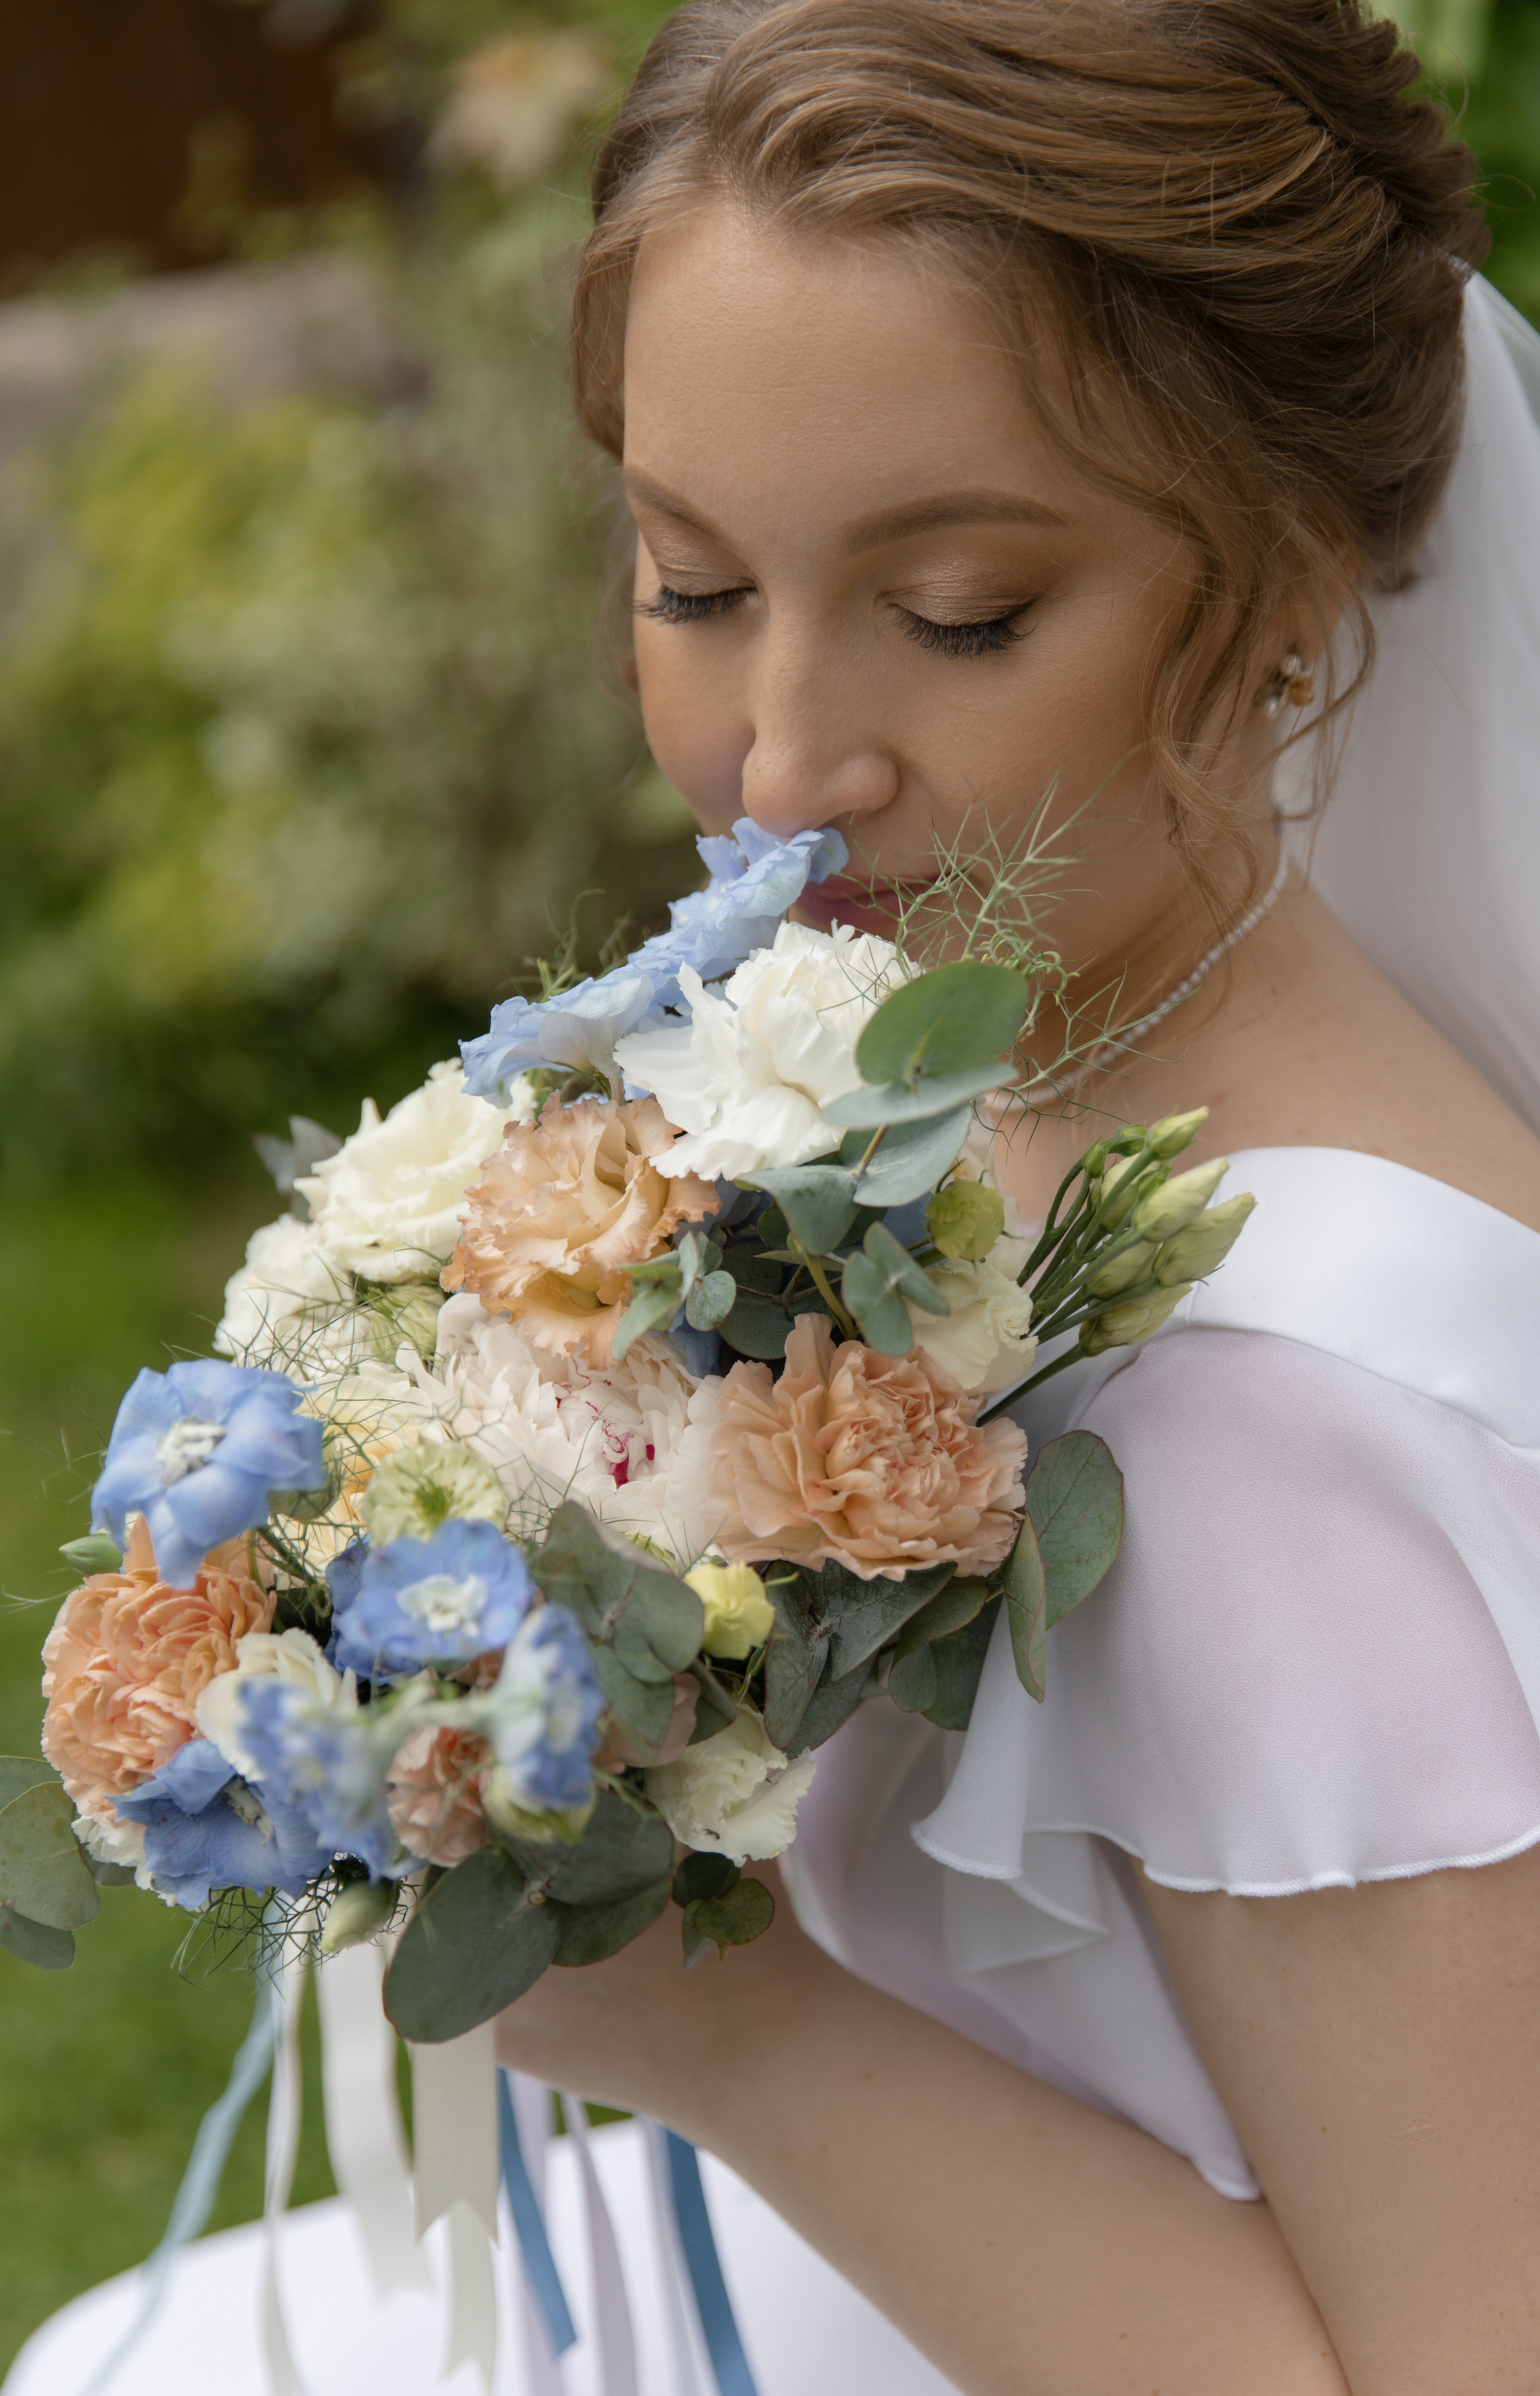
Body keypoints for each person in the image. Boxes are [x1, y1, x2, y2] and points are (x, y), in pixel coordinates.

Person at [493, 4, 1540, 2392]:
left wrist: (707, 2023)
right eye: (690, 582)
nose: (780, 759)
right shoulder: (982, 1066)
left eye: (960, 610)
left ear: (1298, 577)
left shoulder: (1282, 1443)